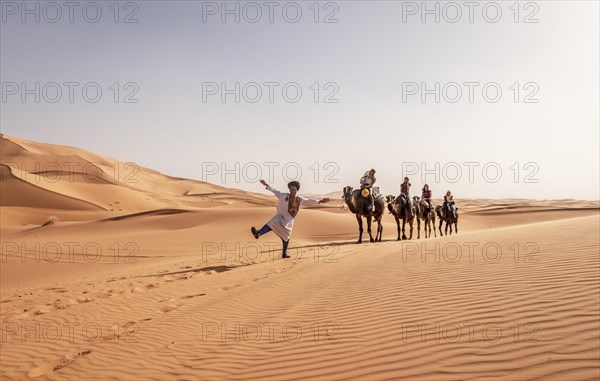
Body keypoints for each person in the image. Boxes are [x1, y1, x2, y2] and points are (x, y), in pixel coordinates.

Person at [251, 180, 329, 259]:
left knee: (286, 238)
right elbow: (274, 190)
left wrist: (320, 201)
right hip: (280, 217)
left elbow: (309, 201)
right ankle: (258, 233)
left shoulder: (299, 200)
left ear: (296, 191)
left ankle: (284, 254)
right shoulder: (282, 195)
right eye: (292, 189)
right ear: (289, 190)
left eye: (294, 190)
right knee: (272, 223)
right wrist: (266, 184)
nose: (293, 191)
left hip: (289, 221)